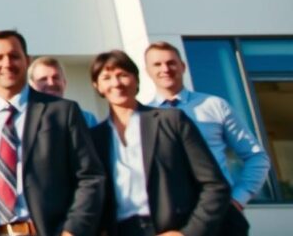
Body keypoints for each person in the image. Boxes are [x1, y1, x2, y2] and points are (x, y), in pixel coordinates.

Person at [0, 30, 104, 236]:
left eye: (14, 56)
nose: (7, 63)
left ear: (27, 60)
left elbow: (90, 176)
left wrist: (74, 229)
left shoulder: (62, 112)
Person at [90, 50, 230, 236]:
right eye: (106, 77)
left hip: (172, 228)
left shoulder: (171, 121)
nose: (116, 84)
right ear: (97, 86)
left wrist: (188, 233)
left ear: (136, 80)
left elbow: (214, 185)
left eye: (122, 75)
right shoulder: (95, 138)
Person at [144, 41, 269, 235]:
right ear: (147, 71)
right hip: (172, 221)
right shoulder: (144, 118)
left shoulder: (215, 106)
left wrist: (237, 199)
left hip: (220, 215)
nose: (165, 69)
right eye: (157, 64)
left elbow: (256, 157)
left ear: (183, 66)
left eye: (171, 63)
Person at [28, 56, 100, 127]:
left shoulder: (86, 119)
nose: (51, 83)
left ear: (64, 83)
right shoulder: (25, 120)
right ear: (31, 86)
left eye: (55, 78)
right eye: (43, 79)